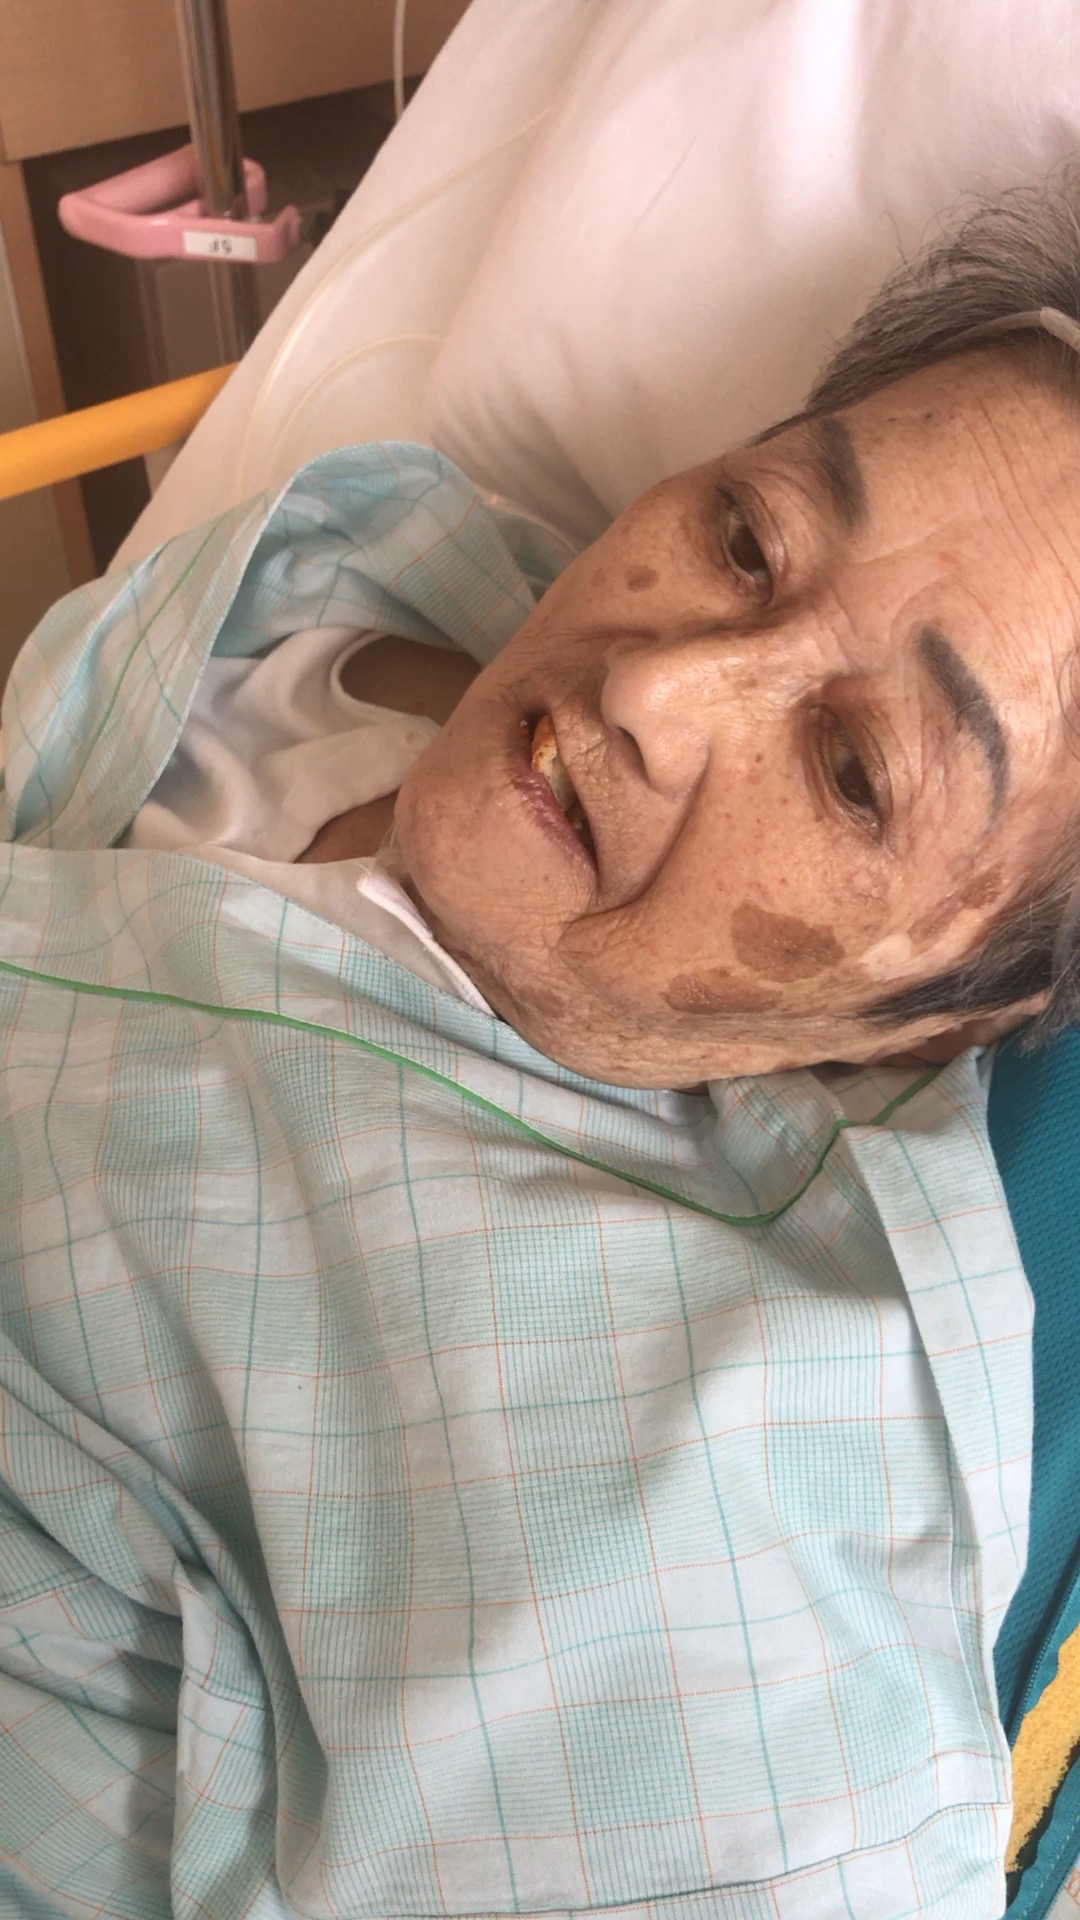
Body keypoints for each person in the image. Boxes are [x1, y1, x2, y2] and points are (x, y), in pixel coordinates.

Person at [0, 180, 1076, 1920]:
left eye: (854, 768)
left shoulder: (691, 1503)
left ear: (944, 1015)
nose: (659, 690)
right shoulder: (351, 583)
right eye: (752, 539)